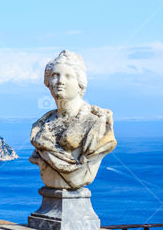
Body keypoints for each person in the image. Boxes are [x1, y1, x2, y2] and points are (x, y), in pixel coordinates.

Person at [29, 50, 116, 190]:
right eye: (55, 75)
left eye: (68, 76)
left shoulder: (96, 124)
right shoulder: (41, 128)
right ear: (48, 82)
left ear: (80, 83)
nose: (60, 81)